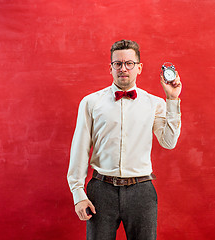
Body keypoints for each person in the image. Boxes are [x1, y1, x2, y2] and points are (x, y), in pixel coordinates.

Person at [67, 39, 182, 240]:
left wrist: (172, 100)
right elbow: (80, 148)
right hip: (101, 190)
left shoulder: (154, 103)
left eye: (129, 63)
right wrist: (78, 194)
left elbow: (169, 142)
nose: (123, 68)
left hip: (142, 191)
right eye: (117, 63)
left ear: (139, 68)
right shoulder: (91, 102)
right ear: (110, 68)